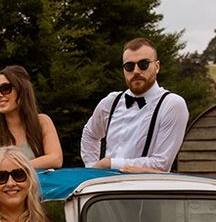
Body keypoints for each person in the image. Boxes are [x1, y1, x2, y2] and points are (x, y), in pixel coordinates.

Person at [81, 37, 189, 173]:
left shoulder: (172, 104)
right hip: (105, 189)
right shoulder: (110, 102)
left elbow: (161, 164)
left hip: (142, 191)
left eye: (143, 64)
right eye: (129, 66)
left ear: (157, 67)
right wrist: (92, 169)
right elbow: (90, 134)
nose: (136, 71)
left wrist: (110, 164)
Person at [0, 65, 63, 170]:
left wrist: (11, 167)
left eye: (5, 88)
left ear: (22, 90)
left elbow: (55, 158)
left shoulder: (42, 122)